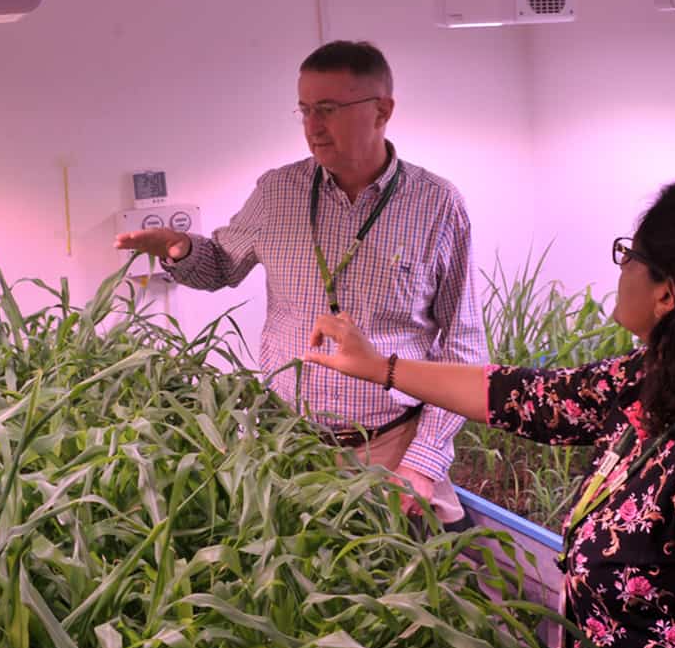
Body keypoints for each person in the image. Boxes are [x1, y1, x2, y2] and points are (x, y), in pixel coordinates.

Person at [307, 178, 675, 648]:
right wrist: (380, 367)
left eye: (630, 255)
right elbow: (526, 397)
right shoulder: (656, 382)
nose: (621, 268)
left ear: (667, 293)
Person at [115, 40, 484, 529]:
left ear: (382, 110)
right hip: (291, 447)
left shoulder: (437, 204)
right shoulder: (279, 191)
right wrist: (179, 248)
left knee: (417, 591)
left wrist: (422, 462)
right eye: (305, 110)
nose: (313, 126)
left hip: (392, 449)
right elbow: (221, 266)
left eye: (329, 109)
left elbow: (463, 345)